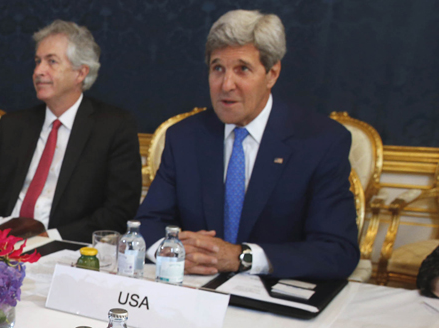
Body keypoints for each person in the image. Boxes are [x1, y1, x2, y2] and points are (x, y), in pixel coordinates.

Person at [135, 9, 359, 280]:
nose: (226, 85)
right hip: (194, 292)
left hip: (274, 299)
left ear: (272, 74)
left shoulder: (320, 140)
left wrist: (243, 257)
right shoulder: (184, 137)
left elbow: (337, 251)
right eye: (218, 68)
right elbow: (147, 223)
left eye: (242, 69)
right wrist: (169, 253)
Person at [0, 20, 141, 242]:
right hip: (1, 243)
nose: (38, 71)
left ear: (80, 73)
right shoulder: (13, 125)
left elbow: (118, 211)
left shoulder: (113, 127)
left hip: (66, 247)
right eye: (37, 61)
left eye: (52, 62)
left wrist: (49, 237)